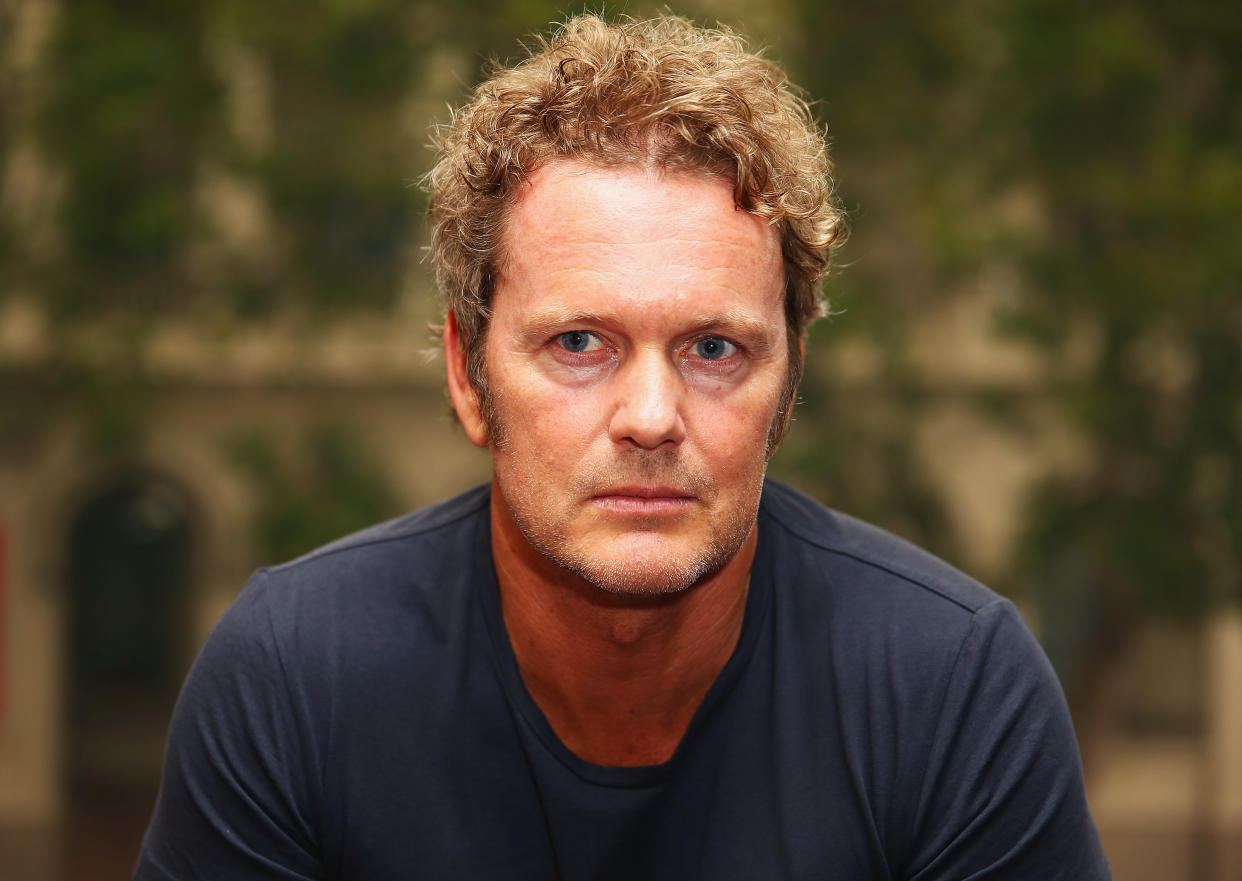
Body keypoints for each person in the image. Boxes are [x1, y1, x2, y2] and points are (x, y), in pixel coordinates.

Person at [136, 14, 1110, 881]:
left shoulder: (951, 684)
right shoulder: (296, 671)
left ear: (790, 385)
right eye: (578, 344)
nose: (651, 414)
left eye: (715, 349)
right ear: (467, 376)